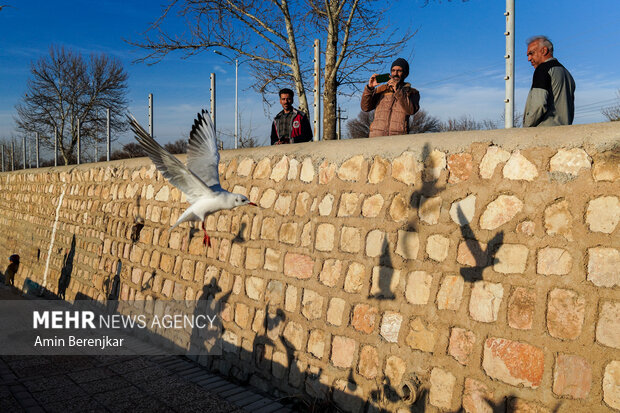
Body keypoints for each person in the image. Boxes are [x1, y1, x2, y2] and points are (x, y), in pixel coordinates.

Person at [523, 35, 575, 127]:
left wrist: (526, 126)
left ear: (544, 50)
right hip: (565, 133)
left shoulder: (542, 69)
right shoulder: (567, 74)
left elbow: (538, 105)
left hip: (544, 133)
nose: (529, 59)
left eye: (531, 53)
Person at [361, 58, 420, 138]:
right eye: (393, 70)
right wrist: (370, 88)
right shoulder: (381, 89)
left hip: (398, 138)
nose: (395, 73)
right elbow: (365, 107)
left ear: (405, 74)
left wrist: (398, 90)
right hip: (376, 137)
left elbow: (411, 110)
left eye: (399, 71)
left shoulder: (412, 92)